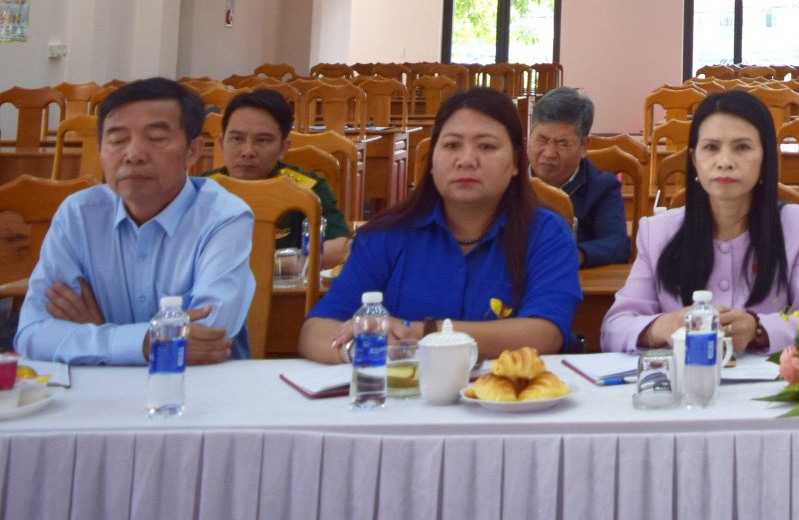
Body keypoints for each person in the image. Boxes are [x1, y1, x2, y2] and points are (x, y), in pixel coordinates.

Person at [299, 87, 581, 362]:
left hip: (504, 400)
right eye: (451, 145)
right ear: (432, 161)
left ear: (517, 162)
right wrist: (358, 350)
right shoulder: (385, 235)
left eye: (486, 146)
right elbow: (315, 331)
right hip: (404, 398)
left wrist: (418, 334)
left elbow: (545, 334)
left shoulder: (547, 234)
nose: (467, 160)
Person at [16, 78, 255, 364]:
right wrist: (143, 342)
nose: (133, 155)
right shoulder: (79, 215)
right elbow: (32, 333)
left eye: (156, 139)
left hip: (197, 392)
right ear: (100, 150)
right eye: (117, 140)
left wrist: (96, 333)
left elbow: (207, 337)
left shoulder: (224, 217)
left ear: (192, 151)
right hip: (97, 397)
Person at [600, 90, 799, 355]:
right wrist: (664, 325)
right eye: (711, 148)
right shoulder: (657, 232)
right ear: (694, 161)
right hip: (681, 386)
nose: (725, 162)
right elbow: (613, 329)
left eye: (742, 147)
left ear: (765, 159)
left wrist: (759, 328)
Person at [205, 88, 351, 267]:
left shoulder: (306, 188)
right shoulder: (201, 188)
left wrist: (270, 265)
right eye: (237, 139)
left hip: (283, 288)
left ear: (283, 148)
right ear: (221, 143)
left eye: (262, 140)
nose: (248, 151)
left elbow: (338, 248)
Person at [528, 86, 632, 268]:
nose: (549, 153)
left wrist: (575, 254)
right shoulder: (507, 178)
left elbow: (617, 245)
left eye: (562, 143)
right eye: (542, 140)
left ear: (584, 146)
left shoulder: (602, 187)